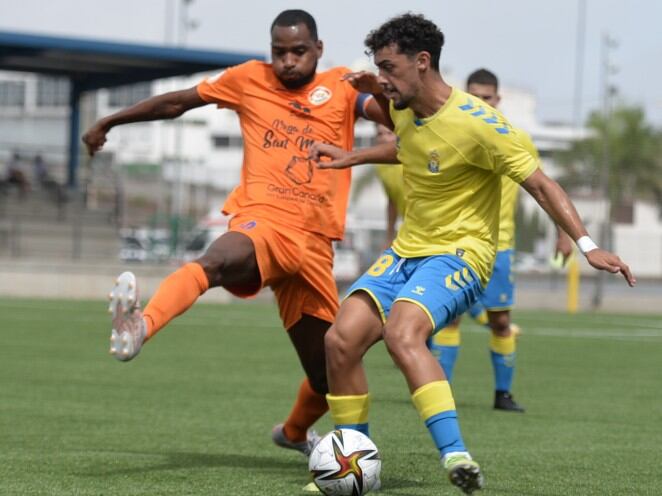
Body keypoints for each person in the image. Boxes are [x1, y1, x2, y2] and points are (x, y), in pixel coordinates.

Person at [308, 13, 634, 494]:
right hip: (406, 252)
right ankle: (355, 464)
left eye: (389, 67)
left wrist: (586, 244)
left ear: (423, 62)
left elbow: (541, 184)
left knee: (403, 333)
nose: (382, 79)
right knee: (340, 341)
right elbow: (408, 148)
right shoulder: (401, 104)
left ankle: (456, 455)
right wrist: (351, 155)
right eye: (378, 67)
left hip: (462, 254)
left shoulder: (481, 125)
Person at [82, 8, 390, 477]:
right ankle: (140, 327)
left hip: (315, 246)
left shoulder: (344, 85)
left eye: (298, 51)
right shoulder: (248, 79)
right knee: (219, 260)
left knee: (329, 372)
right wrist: (111, 120)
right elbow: (178, 102)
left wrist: (383, 93)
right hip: (263, 220)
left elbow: (395, 121)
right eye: (279, 52)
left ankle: (292, 434)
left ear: (318, 49)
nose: (287, 61)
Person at [427, 68, 574, 413]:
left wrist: (562, 233)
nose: (481, 103)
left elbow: (541, 188)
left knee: (501, 321)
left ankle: (502, 395)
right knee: (450, 318)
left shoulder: (515, 138)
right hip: (456, 244)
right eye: (474, 97)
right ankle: (440, 391)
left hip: (500, 247)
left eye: (487, 98)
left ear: (498, 100)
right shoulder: (450, 134)